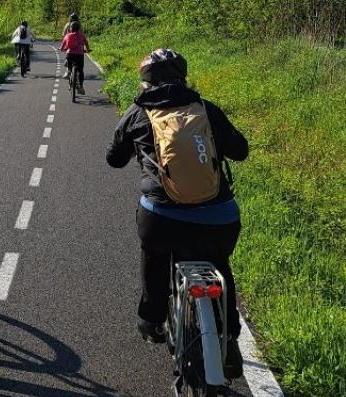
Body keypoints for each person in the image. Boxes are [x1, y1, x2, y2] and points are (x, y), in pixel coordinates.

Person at [106, 48, 248, 377]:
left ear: (145, 81)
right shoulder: (205, 109)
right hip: (219, 218)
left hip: (162, 219)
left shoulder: (137, 114)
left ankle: (152, 320)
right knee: (219, 263)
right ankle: (229, 338)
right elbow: (240, 151)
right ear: (183, 77)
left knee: (155, 255)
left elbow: (113, 158)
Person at [60, 21, 91, 94]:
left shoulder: (68, 35)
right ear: (79, 28)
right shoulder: (82, 35)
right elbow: (86, 43)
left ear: (71, 28)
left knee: (69, 64)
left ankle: (69, 71)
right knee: (80, 70)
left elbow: (63, 44)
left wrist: (61, 49)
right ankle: (81, 86)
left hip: (70, 54)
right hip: (80, 55)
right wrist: (88, 49)